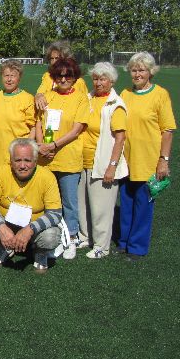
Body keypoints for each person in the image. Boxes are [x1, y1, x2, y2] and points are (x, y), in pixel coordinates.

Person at [119, 52, 176, 261]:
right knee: (126, 203)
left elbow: (167, 130)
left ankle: (137, 247)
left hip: (148, 160)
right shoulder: (125, 93)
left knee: (143, 205)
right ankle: (123, 242)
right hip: (126, 159)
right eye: (134, 70)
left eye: (141, 70)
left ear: (150, 72)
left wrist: (163, 160)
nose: (137, 74)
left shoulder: (160, 94)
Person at [0, 138, 63, 273]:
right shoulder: (1, 172)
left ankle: (40, 252)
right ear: (11, 161)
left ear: (35, 161)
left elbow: (55, 214)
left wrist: (30, 229)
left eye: (27, 160)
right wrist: (1, 227)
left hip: (34, 227)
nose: (22, 165)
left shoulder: (47, 177)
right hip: (6, 223)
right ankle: (5, 247)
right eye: (17, 160)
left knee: (51, 236)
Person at [35, 57, 88, 260]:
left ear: (75, 77)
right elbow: (38, 123)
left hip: (68, 158)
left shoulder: (81, 98)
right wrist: (41, 146)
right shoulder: (46, 96)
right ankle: (53, 238)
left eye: (68, 76)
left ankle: (71, 238)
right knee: (48, 201)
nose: (64, 79)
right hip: (46, 158)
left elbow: (76, 130)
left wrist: (54, 145)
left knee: (69, 202)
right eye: (59, 76)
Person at [77, 62, 128, 259]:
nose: (98, 83)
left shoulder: (115, 104)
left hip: (103, 163)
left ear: (112, 81)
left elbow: (120, 138)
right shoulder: (88, 98)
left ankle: (101, 246)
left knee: (101, 209)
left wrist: (112, 167)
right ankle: (85, 237)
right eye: (96, 78)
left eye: (103, 79)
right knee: (83, 205)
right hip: (83, 161)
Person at [0, 60, 35, 174]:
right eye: (6, 75)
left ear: (19, 77)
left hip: (17, 156)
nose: (9, 79)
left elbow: (33, 127)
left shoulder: (27, 98)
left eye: (13, 76)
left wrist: (27, 150)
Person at [34, 41, 88, 111]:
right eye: (51, 58)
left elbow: (85, 102)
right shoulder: (47, 76)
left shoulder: (79, 81)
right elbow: (40, 92)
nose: (54, 62)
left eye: (57, 58)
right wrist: (38, 96)